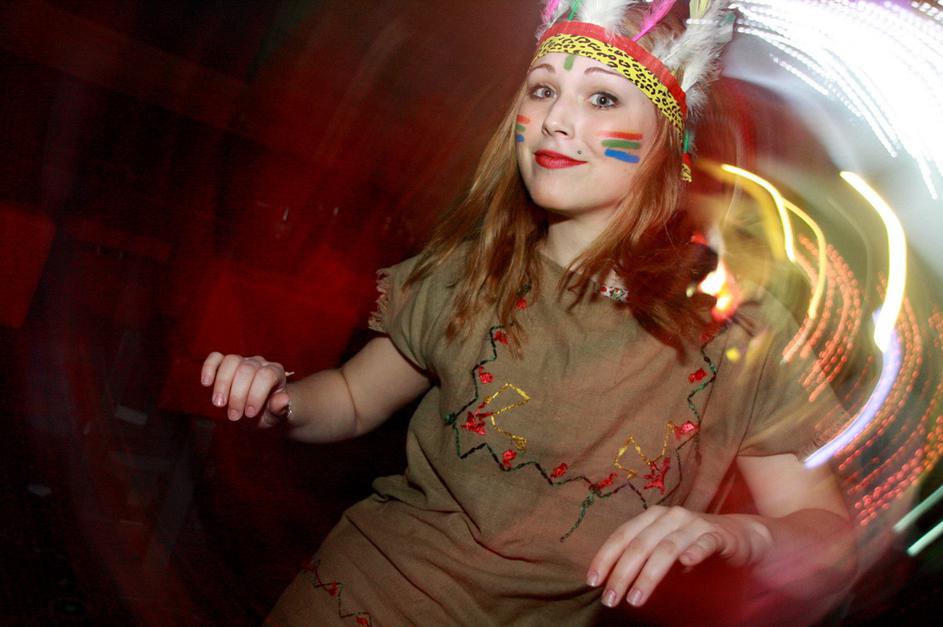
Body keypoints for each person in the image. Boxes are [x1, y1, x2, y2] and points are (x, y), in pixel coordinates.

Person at [201, 2, 857, 624]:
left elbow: (830, 544)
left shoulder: (733, 328)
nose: (554, 120)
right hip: (358, 600)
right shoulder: (472, 273)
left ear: (668, 138)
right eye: (542, 89)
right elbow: (349, 400)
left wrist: (739, 535)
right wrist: (278, 399)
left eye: (602, 98)